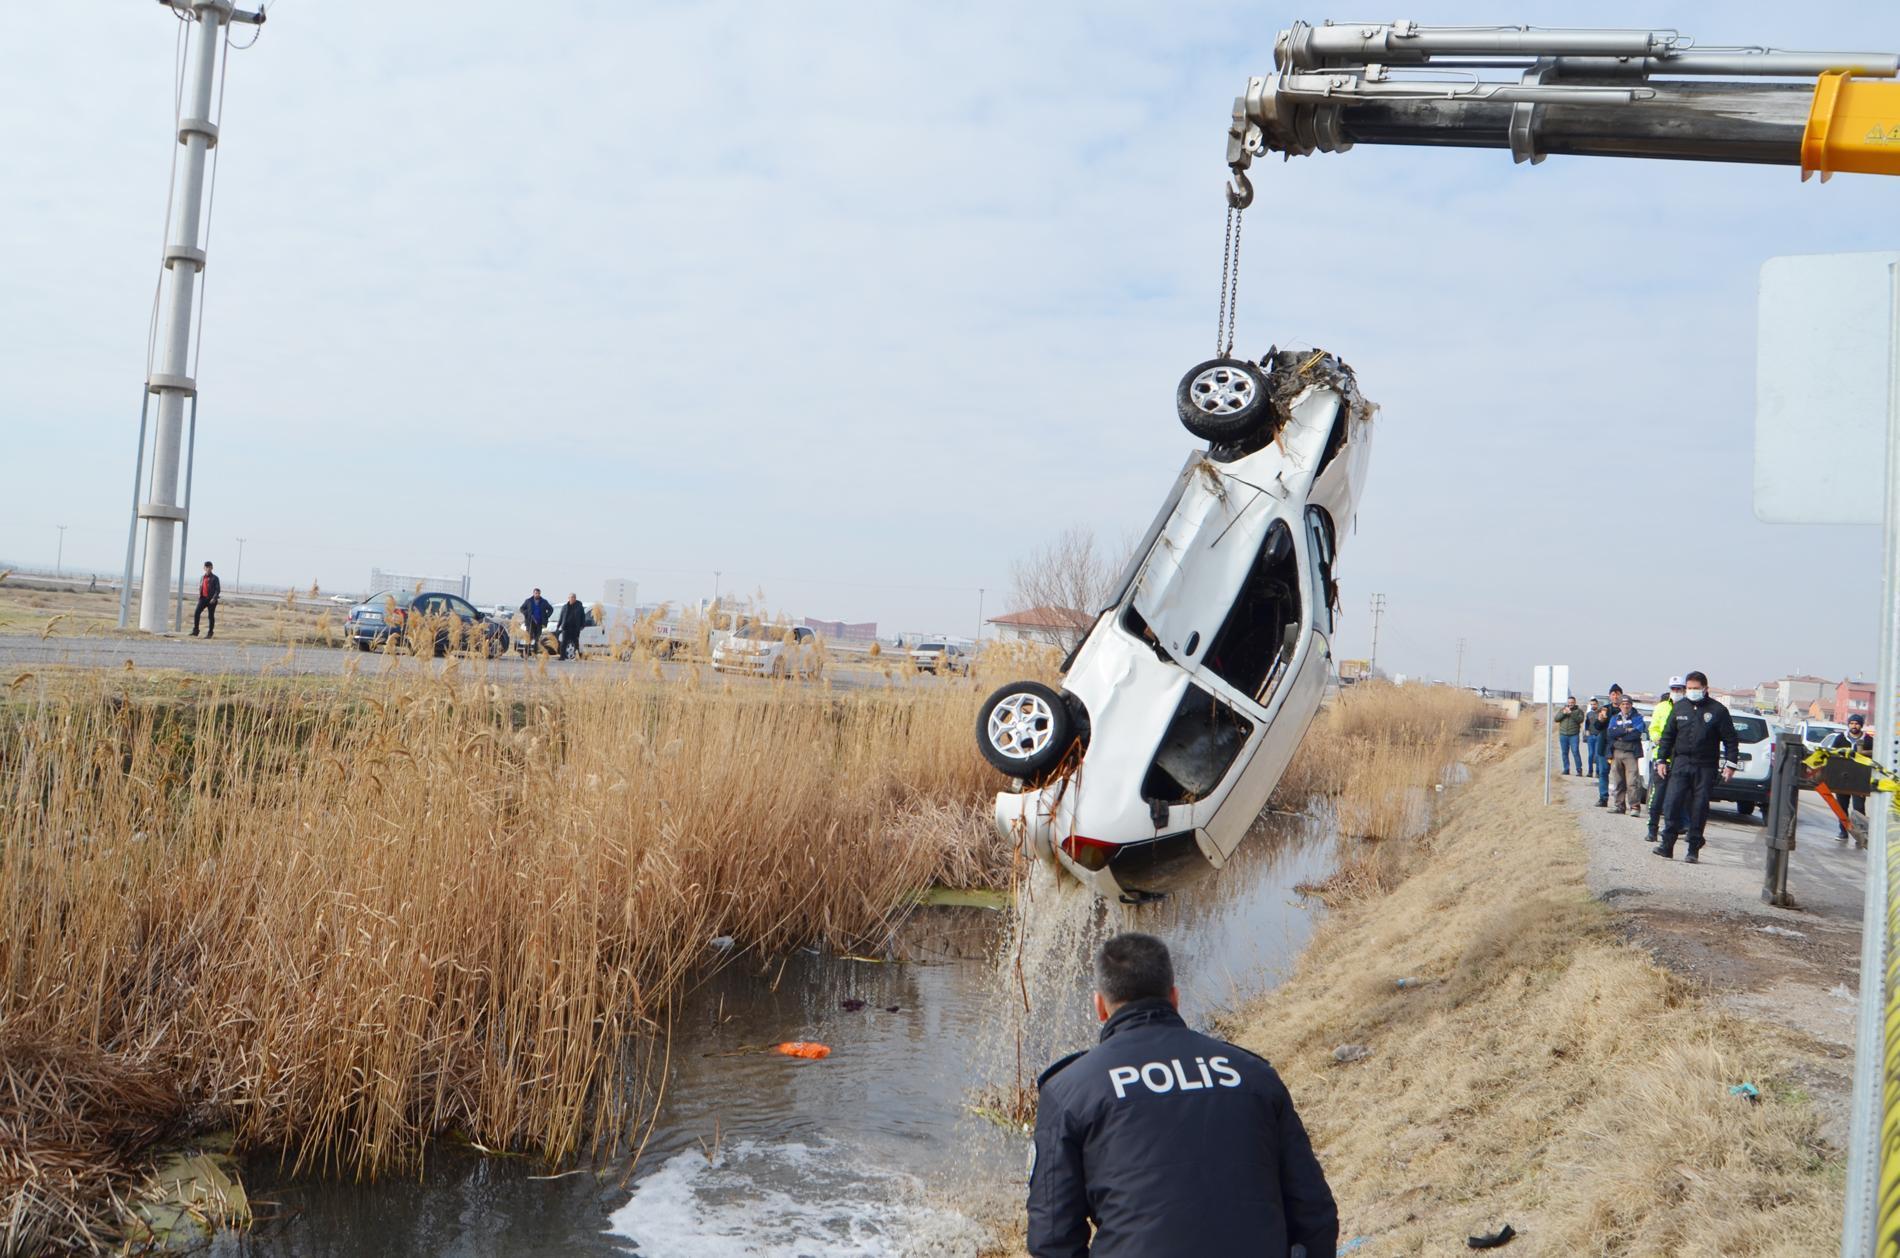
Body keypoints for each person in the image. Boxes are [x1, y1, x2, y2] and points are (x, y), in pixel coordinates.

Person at [1028, 933, 1337, 1258]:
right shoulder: (1253, 1075)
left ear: (1100, 1006)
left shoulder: (1069, 1091)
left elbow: (1053, 1240)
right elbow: (1314, 1213)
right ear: (1175, 998)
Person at [1653, 671, 1740, 864]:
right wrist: (1661, 760)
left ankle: (1693, 848)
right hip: (1681, 763)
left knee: (1699, 808)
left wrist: (1730, 764)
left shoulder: (1718, 711)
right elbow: (1667, 736)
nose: (1692, 691)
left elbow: (1731, 740)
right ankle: (1667, 845)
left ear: (1705, 689)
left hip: (1705, 766)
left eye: (1696, 688)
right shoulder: (1679, 707)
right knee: (1672, 803)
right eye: (1689, 688)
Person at [1645, 677, 1688, 843]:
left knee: (1679, 797)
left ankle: (1678, 829)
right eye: (1674, 689)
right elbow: (1653, 728)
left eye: (1679, 689)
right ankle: (1652, 829)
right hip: (1662, 758)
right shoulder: (1661, 707)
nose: (1676, 692)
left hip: (1680, 759)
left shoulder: (1688, 708)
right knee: (1657, 797)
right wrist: (1658, 739)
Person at [1831, 714, 1876, 840]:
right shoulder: (1840, 738)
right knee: (1842, 807)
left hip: (1860, 779)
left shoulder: (1868, 740)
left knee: (1859, 808)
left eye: (1856, 723)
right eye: (1851, 723)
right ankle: (1843, 832)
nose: (1854, 726)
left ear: (1861, 725)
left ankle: (1860, 836)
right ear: (1848, 724)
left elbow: (1875, 759)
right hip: (1842, 778)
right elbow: (1832, 755)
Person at [1605, 694, 1648, 815]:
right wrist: (1626, 730)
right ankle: (1619, 806)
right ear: (1620, 706)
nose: (1625, 706)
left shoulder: (1638, 718)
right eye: (1623, 704)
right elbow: (1610, 733)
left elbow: (1636, 734)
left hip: (1631, 753)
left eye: (1627, 704)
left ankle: (1634, 807)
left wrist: (1620, 734)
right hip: (1616, 752)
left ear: (1631, 705)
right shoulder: (1615, 718)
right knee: (1618, 781)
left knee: (1632, 782)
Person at [1591, 686, 1623, 806]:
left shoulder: (1625, 709)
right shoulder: (1604, 709)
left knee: (1619, 775)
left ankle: (1619, 801)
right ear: (1610, 696)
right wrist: (1601, 720)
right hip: (1604, 745)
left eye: (1617, 694)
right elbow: (1597, 727)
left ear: (1621, 695)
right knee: (1603, 772)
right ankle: (1603, 798)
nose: (1615, 697)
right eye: (1613, 694)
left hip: (1619, 746)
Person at [1554, 697, 1586, 775]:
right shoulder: (1562, 710)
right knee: (1564, 752)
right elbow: (1556, 719)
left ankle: (1579, 770)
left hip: (1574, 735)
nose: (1570, 704)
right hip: (1563, 735)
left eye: (1572, 702)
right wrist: (1564, 713)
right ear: (1567, 702)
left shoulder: (1579, 711)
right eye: (1569, 702)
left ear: (1575, 702)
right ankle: (1566, 769)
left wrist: (1571, 713)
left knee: (1575, 751)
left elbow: (1580, 720)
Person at [189, 561, 220, 639]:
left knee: (210, 616)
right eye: (206, 567)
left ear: (212, 568)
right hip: (203, 599)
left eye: (209, 567)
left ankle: (210, 633)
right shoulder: (202, 577)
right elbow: (201, 587)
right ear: (204, 568)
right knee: (196, 613)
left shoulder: (215, 578)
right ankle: (196, 631)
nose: (208, 568)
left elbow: (218, 590)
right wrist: (200, 595)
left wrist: (214, 598)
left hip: (211, 600)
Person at [519, 588, 553, 655]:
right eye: (536, 593)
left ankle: (535, 652)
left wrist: (546, 616)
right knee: (529, 637)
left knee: (537, 638)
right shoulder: (528, 601)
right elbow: (521, 608)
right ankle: (526, 652)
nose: (537, 594)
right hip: (530, 622)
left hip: (539, 623)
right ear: (533, 593)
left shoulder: (544, 601)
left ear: (540, 594)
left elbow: (551, 609)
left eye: (538, 593)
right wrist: (527, 613)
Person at [556, 593, 587, 660]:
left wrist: (582, 625)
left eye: (574, 597)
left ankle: (577, 656)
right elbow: (561, 616)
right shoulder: (565, 606)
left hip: (575, 628)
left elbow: (583, 617)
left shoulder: (579, 607)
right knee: (564, 642)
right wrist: (558, 625)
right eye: (571, 597)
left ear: (575, 598)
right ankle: (562, 657)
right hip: (566, 627)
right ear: (568, 598)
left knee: (575, 642)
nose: (572, 598)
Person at [1584, 699, 1604, 777]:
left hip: (1599, 735)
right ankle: (1590, 771)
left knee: (1597, 755)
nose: (1593, 706)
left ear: (1597, 704)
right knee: (1590, 754)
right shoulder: (1589, 714)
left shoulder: (1601, 713)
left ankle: (1597, 772)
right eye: (1591, 704)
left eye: (1594, 704)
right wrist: (1586, 731)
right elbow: (1587, 724)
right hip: (1590, 736)